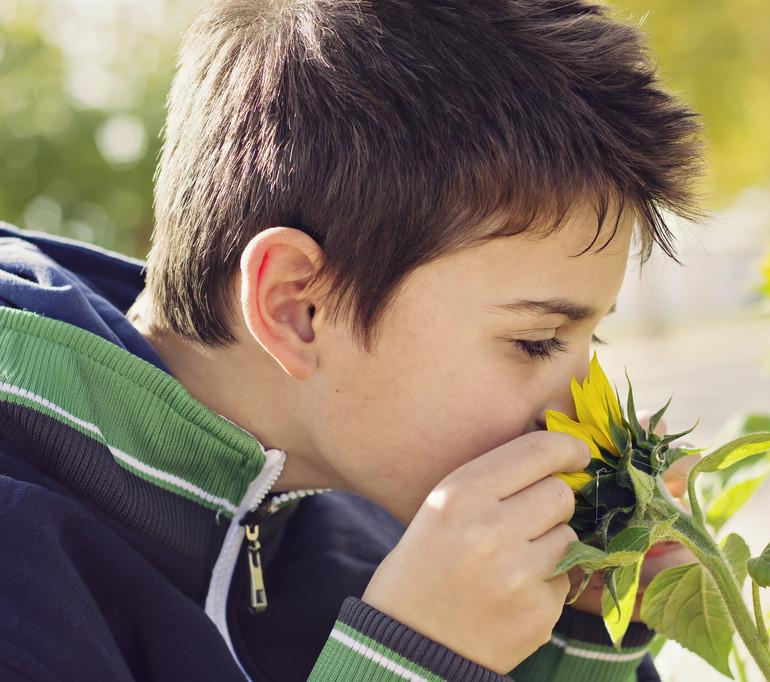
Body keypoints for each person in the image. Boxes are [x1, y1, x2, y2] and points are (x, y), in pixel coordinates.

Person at [0, 1, 706, 679]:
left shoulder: (375, 515)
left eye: (593, 337)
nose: (585, 409)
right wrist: (406, 665)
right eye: (535, 341)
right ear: (297, 306)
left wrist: (576, 638)